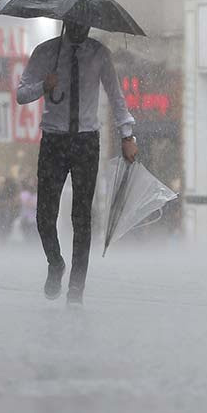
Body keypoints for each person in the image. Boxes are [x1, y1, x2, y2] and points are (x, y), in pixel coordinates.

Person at [17, 22, 137, 306]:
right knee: (45, 216)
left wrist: (127, 134)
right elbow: (21, 94)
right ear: (66, 20)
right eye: (76, 20)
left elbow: (116, 98)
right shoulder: (46, 52)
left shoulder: (98, 54)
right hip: (54, 140)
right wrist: (43, 86)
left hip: (85, 142)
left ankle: (76, 289)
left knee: (82, 219)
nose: (82, 26)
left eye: (86, 21)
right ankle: (56, 263)